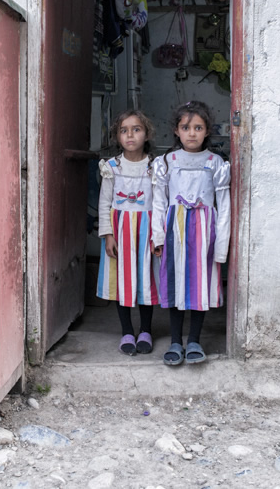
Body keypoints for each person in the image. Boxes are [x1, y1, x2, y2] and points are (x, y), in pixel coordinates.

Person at [151, 100, 230, 366]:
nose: (192, 133)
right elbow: (159, 201)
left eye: (198, 127)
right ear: (176, 130)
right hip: (175, 230)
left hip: (204, 233)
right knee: (175, 284)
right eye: (186, 127)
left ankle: (194, 340)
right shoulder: (167, 162)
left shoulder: (216, 163)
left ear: (207, 131)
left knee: (200, 286)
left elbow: (224, 204)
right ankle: (175, 341)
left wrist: (221, 246)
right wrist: (158, 237)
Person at [97, 109, 159, 356]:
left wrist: (158, 234)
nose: (130, 135)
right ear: (117, 136)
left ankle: (145, 330)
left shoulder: (156, 166)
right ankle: (126, 331)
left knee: (146, 278)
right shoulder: (112, 167)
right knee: (122, 280)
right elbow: (104, 203)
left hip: (146, 233)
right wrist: (108, 234)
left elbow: (159, 202)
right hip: (120, 232)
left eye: (136, 129)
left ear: (146, 134)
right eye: (124, 130)